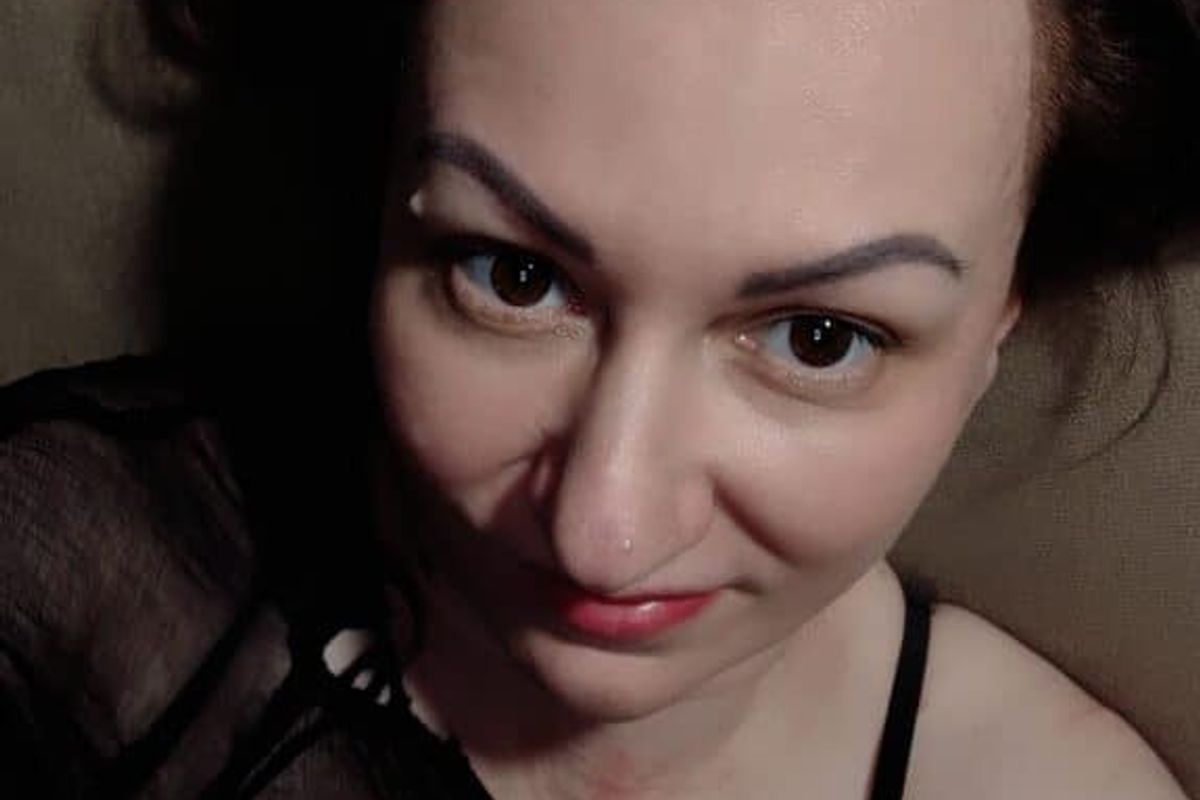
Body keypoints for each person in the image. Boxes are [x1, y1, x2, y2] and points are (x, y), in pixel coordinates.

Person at [1, 0, 1195, 797]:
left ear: (994, 329)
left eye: (819, 338)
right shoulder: (84, 552)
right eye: (513, 277)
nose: (602, 531)